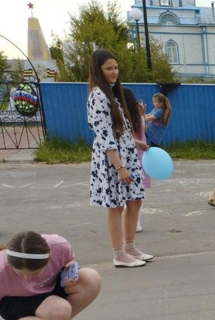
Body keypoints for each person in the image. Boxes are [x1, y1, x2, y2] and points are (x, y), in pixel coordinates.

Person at [86, 49, 153, 268]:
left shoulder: (114, 93)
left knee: (135, 200)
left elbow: (118, 129)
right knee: (116, 206)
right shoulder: (98, 95)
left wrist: (135, 143)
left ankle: (130, 246)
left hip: (126, 152)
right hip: (112, 159)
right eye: (108, 68)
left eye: (115, 67)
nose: (114, 72)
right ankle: (118, 253)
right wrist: (119, 167)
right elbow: (104, 135)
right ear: (98, 71)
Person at [122, 88, 149, 233]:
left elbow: (125, 138)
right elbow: (142, 132)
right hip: (140, 157)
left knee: (128, 193)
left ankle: (133, 223)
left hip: (129, 158)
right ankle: (135, 223)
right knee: (138, 193)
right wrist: (142, 114)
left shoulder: (125, 119)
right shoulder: (138, 118)